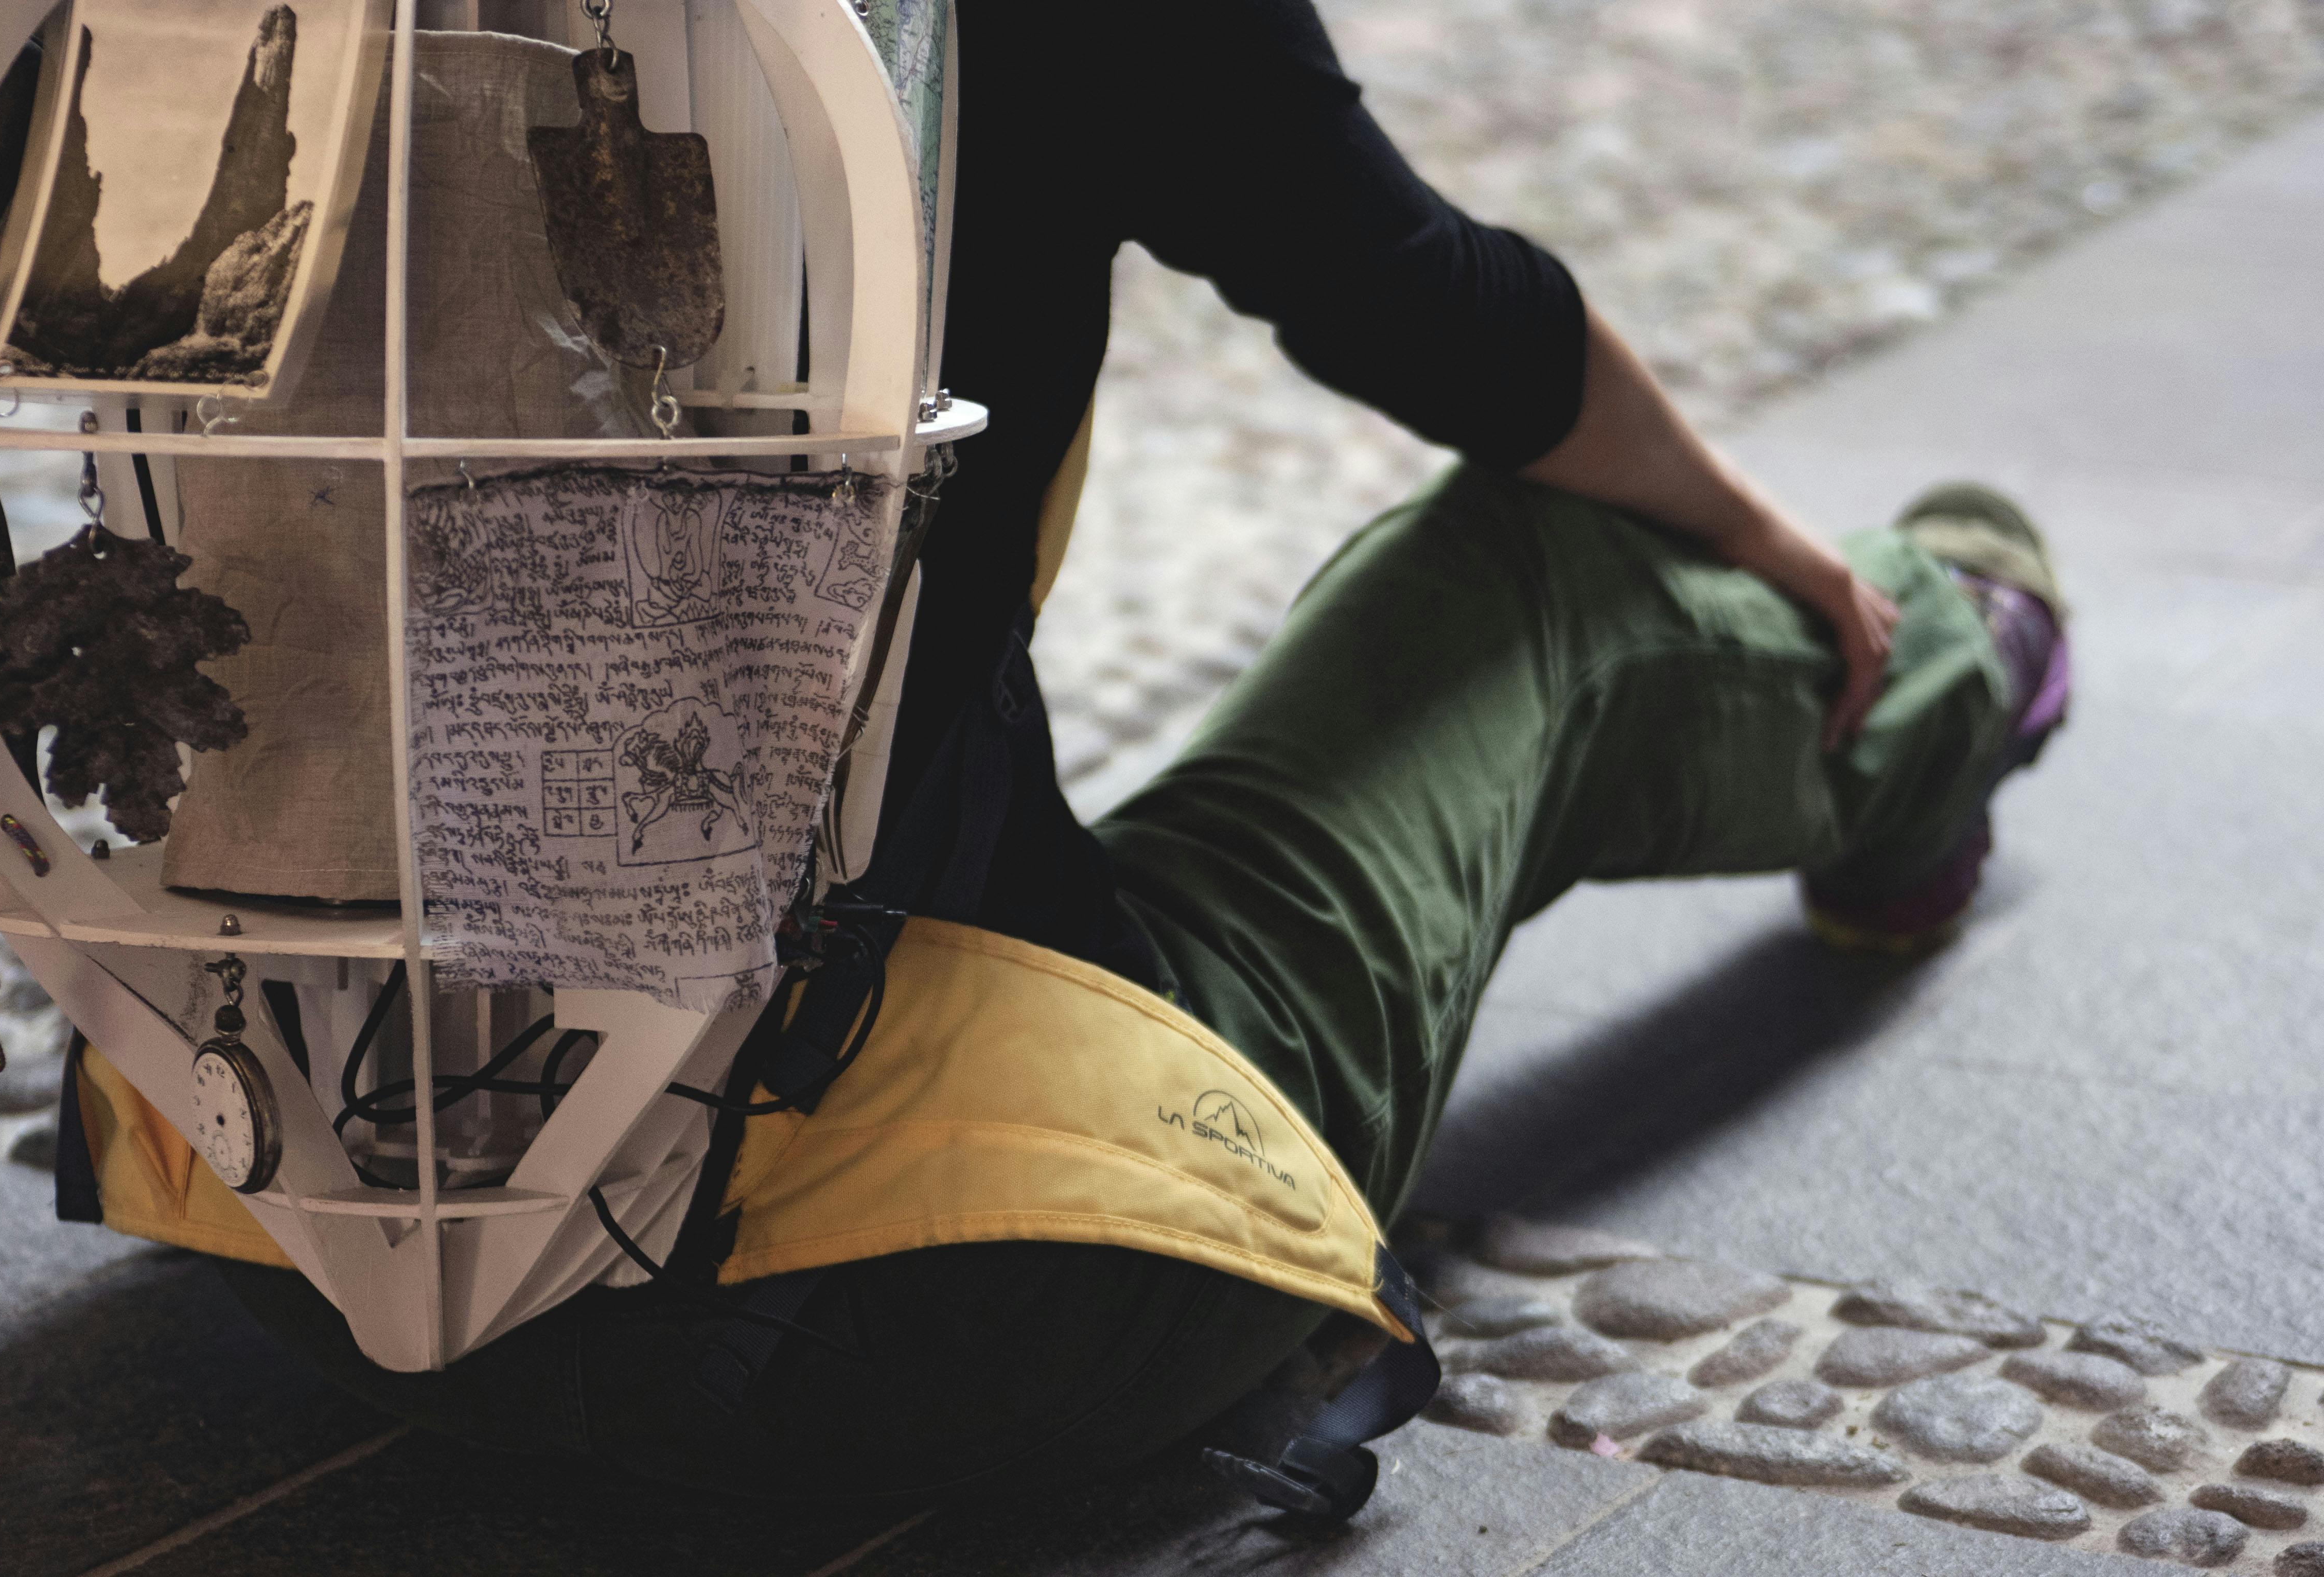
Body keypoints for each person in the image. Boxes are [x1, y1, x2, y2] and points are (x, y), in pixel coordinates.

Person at [222, 0, 2068, 1506]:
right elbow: (1441, 314)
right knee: (1527, 585)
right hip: (917, 1294)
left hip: (288, 1209)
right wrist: (1770, 538)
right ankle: (1955, 658)